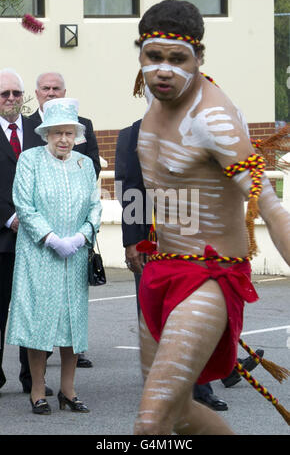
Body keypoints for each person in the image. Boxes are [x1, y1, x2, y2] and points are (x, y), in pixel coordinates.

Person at [122, 0, 290, 435]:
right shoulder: (154, 103)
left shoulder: (213, 118)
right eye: (153, 56)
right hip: (161, 273)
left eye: (177, 60)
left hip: (209, 278)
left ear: (199, 59)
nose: (163, 70)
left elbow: (268, 204)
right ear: (140, 52)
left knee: (149, 426)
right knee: (175, 414)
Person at [116, 121, 264, 412]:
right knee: (162, 315)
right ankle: (177, 385)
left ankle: (209, 378)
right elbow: (131, 189)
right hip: (157, 243)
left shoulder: (200, 123)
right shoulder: (132, 134)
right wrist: (134, 240)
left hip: (202, 239)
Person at [6, 97, 102, 414]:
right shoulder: (31, 160)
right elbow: (24, 203)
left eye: (69, 133)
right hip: (38, 254)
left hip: (74, 254)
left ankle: (68, 390)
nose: (63, 139)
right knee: (39, 322)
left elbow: (95, 205)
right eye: (57, 133)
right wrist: (50, 237)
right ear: (46, 133)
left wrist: (81, 236)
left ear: (77, 136)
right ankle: (37, 389)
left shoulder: (84, 164)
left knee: (72, 323)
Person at [0, 68, 46, 393]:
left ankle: (33, 380)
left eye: (17, 93)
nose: (12, 99)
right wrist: (10, 218)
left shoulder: (39, 131)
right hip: (2, 239)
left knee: (34, 312)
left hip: (36, 241)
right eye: (5, 94)